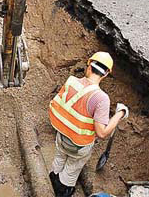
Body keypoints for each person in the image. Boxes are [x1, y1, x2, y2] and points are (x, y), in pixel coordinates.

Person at [49, 52, 129, 197]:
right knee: (71, 169)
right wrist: (120, 114)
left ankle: (53, 177)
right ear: (105, 75)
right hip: (78, 146)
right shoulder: (101, 98)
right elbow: (102, 133)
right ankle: (63, 190)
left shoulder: (71, 81)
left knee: (59, 158)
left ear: (89, 67)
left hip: (61, 136)